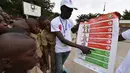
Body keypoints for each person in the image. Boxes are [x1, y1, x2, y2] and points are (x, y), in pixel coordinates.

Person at [51, 0, 92, 73]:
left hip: (68, 50)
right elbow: (62, 40)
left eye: (71, 11)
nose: (70, 13)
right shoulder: (54, 21)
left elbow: (73, 30)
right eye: (68, 10)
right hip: (59, 50)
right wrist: (81, 47)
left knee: (60, 65)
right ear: (62, 9)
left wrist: (80, 24)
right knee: (58, 69)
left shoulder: (70, 21)